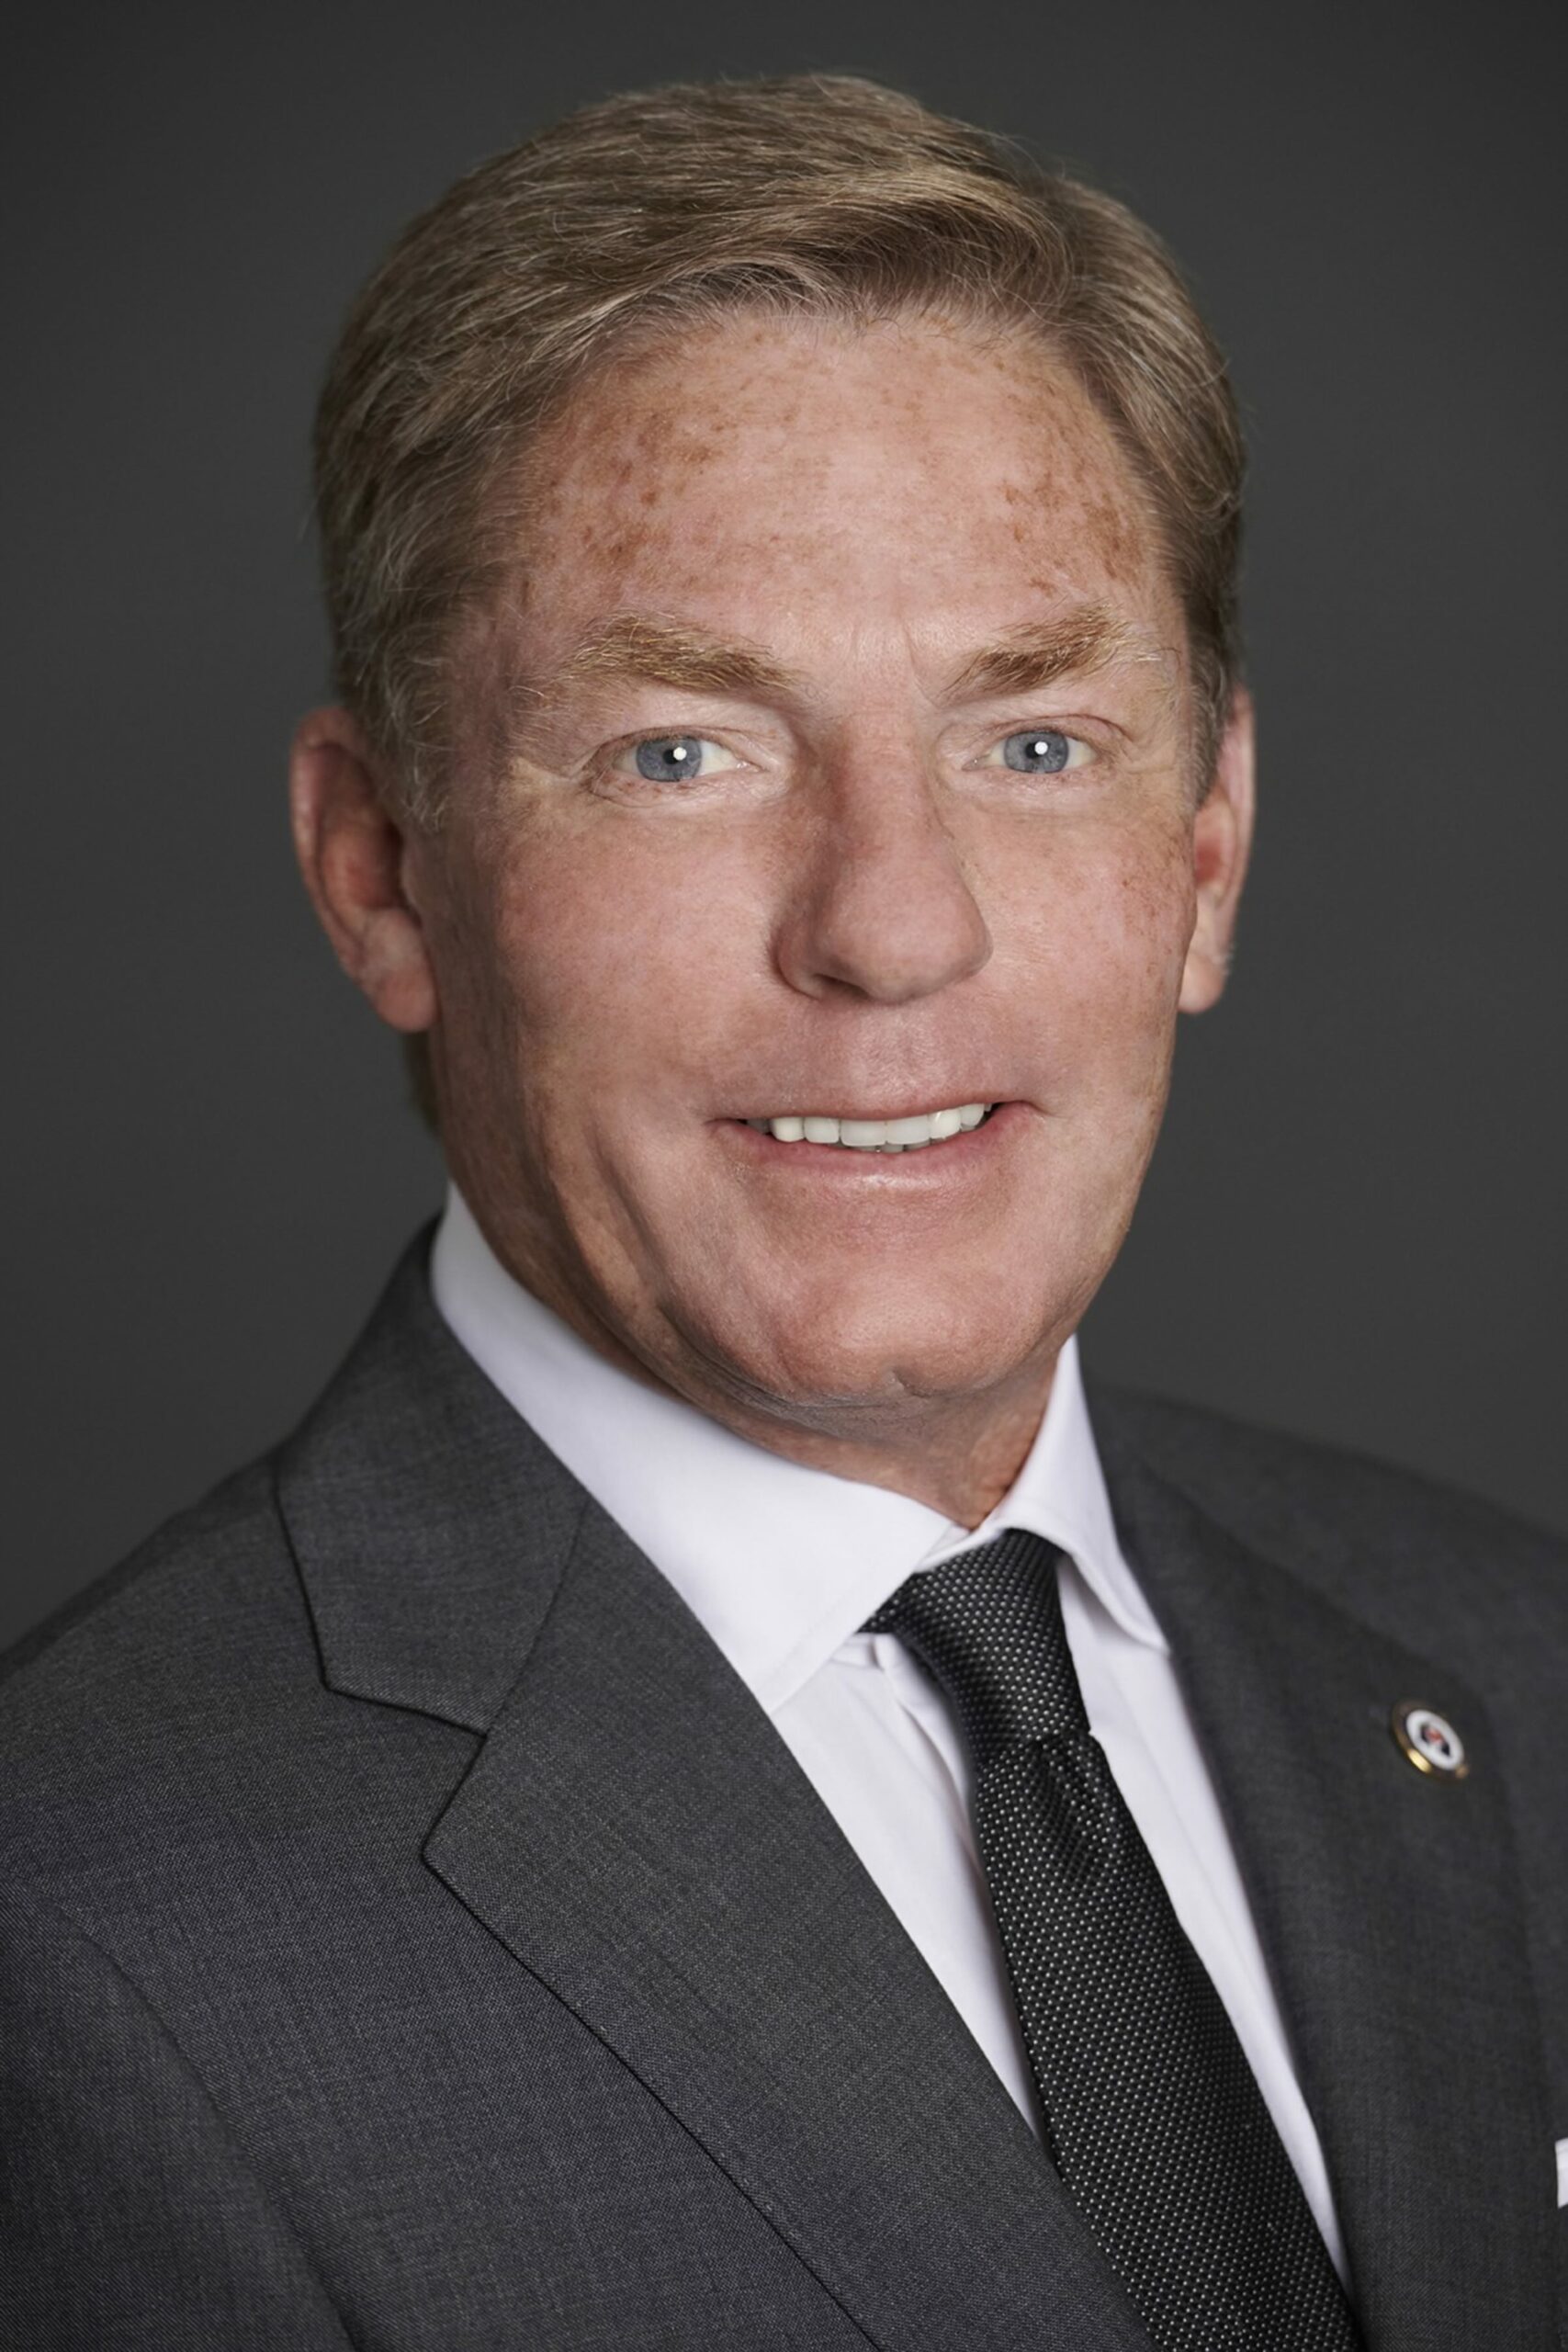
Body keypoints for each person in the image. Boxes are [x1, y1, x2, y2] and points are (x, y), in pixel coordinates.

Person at [2, 72, 1562, 2352]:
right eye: (681, 751)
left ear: (1205, 850)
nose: (891, 929)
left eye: (1031, 741)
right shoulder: (77, 1939)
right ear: (383, 870)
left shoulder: (1510, 1664)